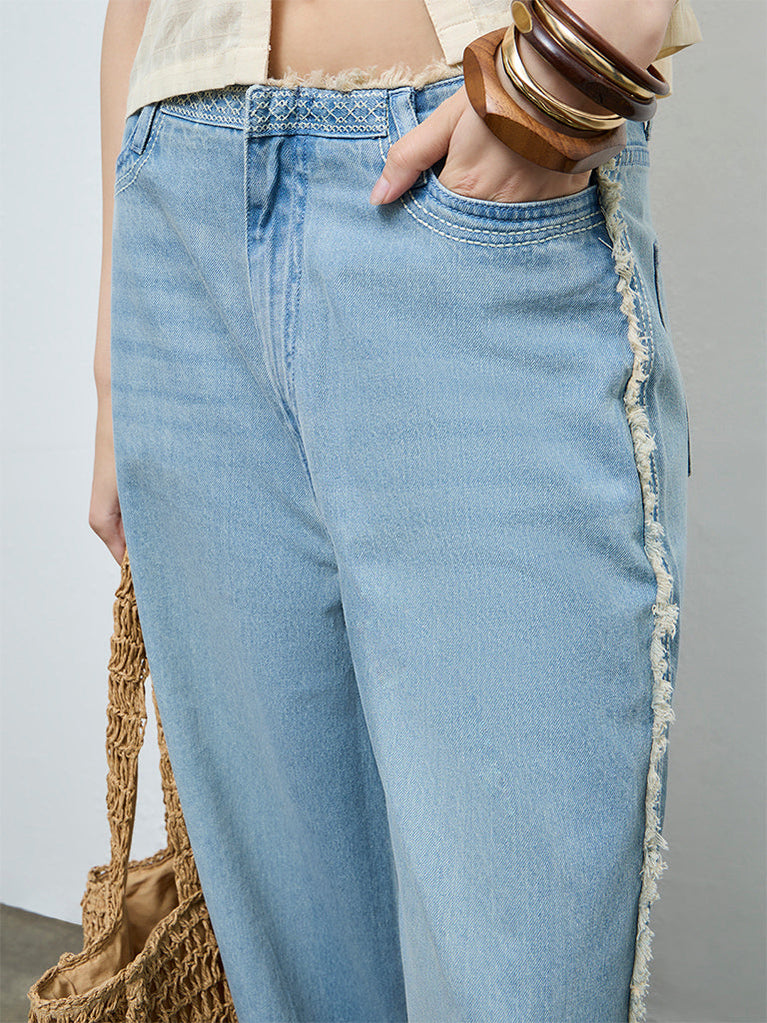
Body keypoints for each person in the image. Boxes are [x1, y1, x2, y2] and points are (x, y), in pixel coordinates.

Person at [91, 1, 701, 1020]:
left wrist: (571, 65)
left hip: (454, 173)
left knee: (516, 981)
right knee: (296, 983)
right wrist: (118, 346)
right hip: (178, 210)